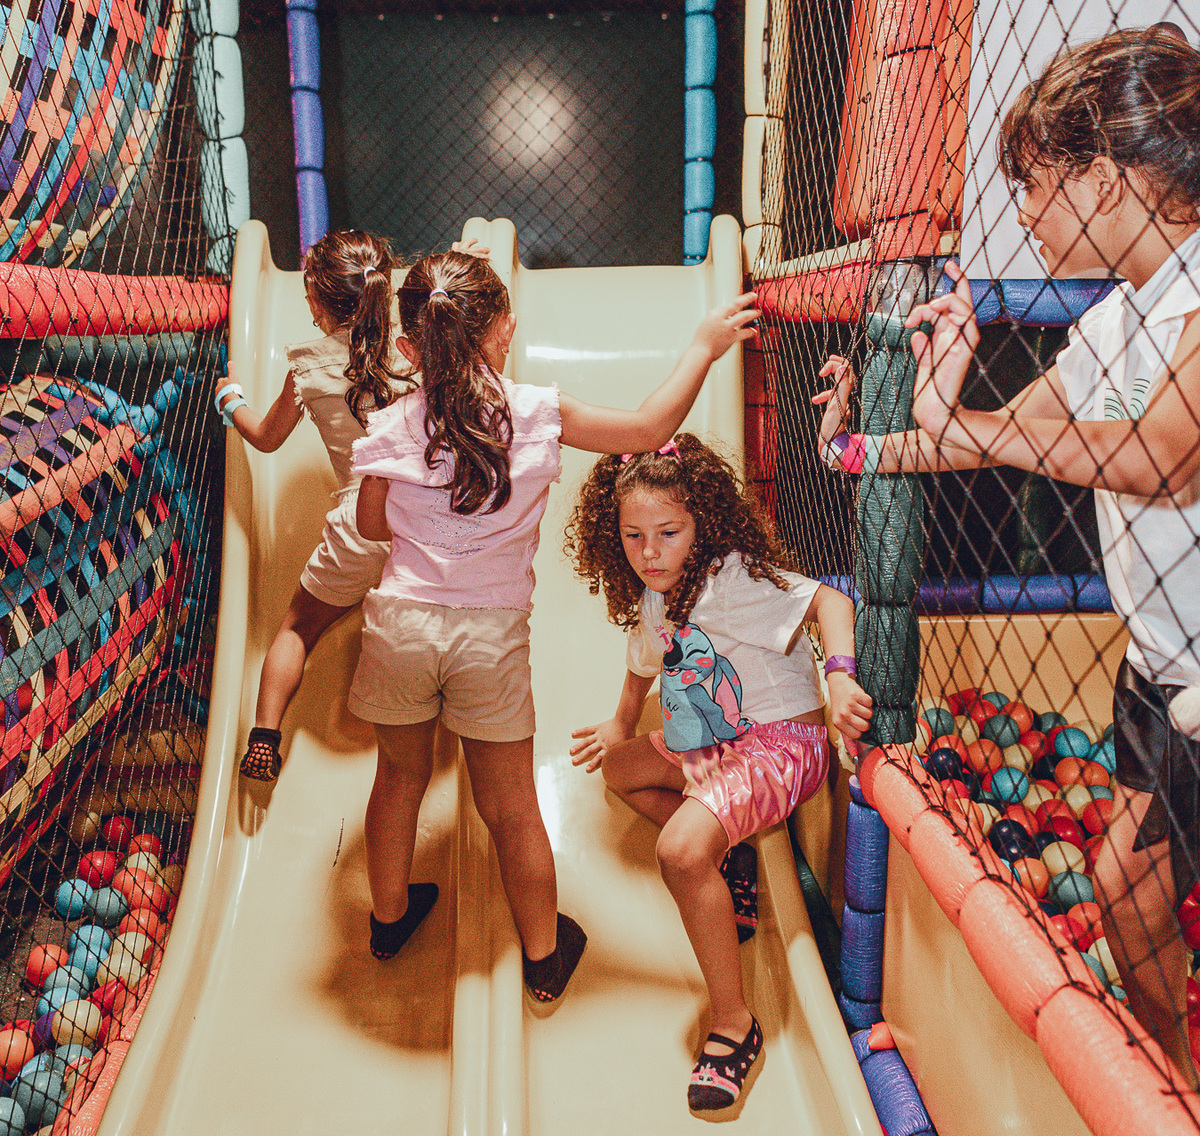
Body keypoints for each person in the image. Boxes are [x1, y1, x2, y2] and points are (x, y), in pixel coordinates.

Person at [815, 25, 1200, 1086]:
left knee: (1129, 889)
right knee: (1125, 897)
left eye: (1034, 183)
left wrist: (965, 423)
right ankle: (1172, 1093)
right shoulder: (1114, 323)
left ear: (1106, 179)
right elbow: (991, 437)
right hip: (1163, 671)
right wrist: (861, 442)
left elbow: (1163, 456)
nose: (1022, 212)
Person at [348, 250, 759, 1002]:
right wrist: (703, 347)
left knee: (398, 777)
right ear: (503, 330)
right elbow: (649, 426)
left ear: (409, 346)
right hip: (488, 639)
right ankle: (543, 955)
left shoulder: (391, 423)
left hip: (399, 626)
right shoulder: (537, 412)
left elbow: (373, 526)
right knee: (509, 809)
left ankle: (389, 918)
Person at [565, 434, 872, 1109]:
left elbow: (831, 602)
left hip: (782, 745)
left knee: (678, 851)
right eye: (634, 536)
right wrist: (620, 722)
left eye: (668, 533)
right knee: (619, 770)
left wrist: (840, 677)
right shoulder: (656, 593)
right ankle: (727, 856)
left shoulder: (732, 578)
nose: (650, 553)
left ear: (702, 523)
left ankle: (734, 1024)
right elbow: (643, 660)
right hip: (716, 741)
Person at [215, 231, 487, 784]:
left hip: (359, 527)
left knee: (297, 628)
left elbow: (265, 438)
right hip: (430, 521)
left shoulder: (308, 369)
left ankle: (265, 734)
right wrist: (462, 259)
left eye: (309, 296)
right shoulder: (417, 342)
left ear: (319, 302)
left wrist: (230, 399)